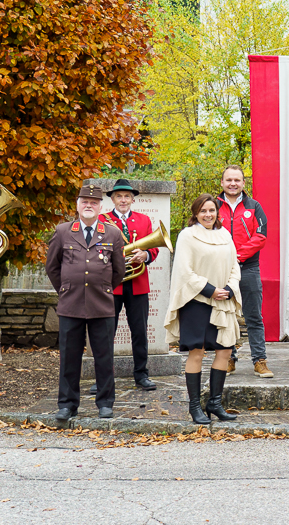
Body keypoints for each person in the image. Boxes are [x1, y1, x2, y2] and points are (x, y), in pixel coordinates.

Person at [45, 184, 126, 421]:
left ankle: (105, 403)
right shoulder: (63, 231)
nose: (88, 205)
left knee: (104, 356)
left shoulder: (112, 234)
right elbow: (52, 267)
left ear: (101, 207)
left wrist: (103, 287)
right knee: (69, 357)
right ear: (77, 205)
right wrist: (66, 288)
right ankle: (67, 404)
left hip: (102, 304)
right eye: (84, 202)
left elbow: (119, 271)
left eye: (93, 202)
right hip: (70, 304)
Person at [165, 194, 243, 424]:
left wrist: (229, 288)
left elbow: (235, 265)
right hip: (197, 301)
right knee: (197, 352)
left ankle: (215, 403)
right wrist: (210, 290)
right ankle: (195, 406)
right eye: (203, 211)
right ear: (196, 213)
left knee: (225, 351)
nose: (208, 215)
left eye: (211, 210)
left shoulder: (225, 234)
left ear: (217, 212)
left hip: (223, 300)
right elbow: (184, 271)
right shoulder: (187, 236)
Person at [94, 179, 160, 392]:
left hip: (138, 283)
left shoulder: (144, 220)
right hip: (111, 285)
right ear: (112, 199)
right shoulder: (102, 220)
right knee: (106, 332)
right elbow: (95, 248)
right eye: (119, 196)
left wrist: (145, 255)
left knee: (140, 332)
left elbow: (154, 248)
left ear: (133, 199)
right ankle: (102, 378)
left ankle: (141, 375)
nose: (123, 200)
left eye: (127, 197)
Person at [216, 165, 272, 378]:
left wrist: (237, 256)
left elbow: (260, 236)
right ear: (222, 182)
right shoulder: (213, 206)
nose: (233, 184)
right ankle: (228, 359)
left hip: (248, 268)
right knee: (225, 315)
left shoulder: (254, 206)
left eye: (237, 180)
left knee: (254, 316)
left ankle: (260, 360)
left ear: (243, 183)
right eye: (229, 180)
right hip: (221, 270)